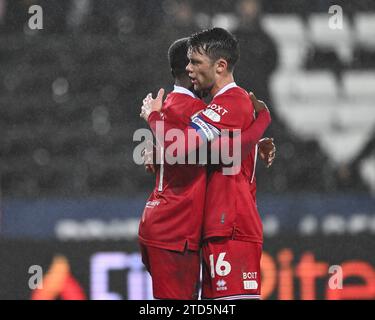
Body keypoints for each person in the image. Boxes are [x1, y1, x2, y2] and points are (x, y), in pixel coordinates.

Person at [139, 35, 274, 299]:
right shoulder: (201, 107)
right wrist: (262, 123)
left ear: (219, 66)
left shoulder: (227, 101)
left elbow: (218, 149)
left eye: (196, 62)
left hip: (222, 229)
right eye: (189, 62)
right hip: (189, 232)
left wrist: (154, 122)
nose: (191, 68)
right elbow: (217, 149)